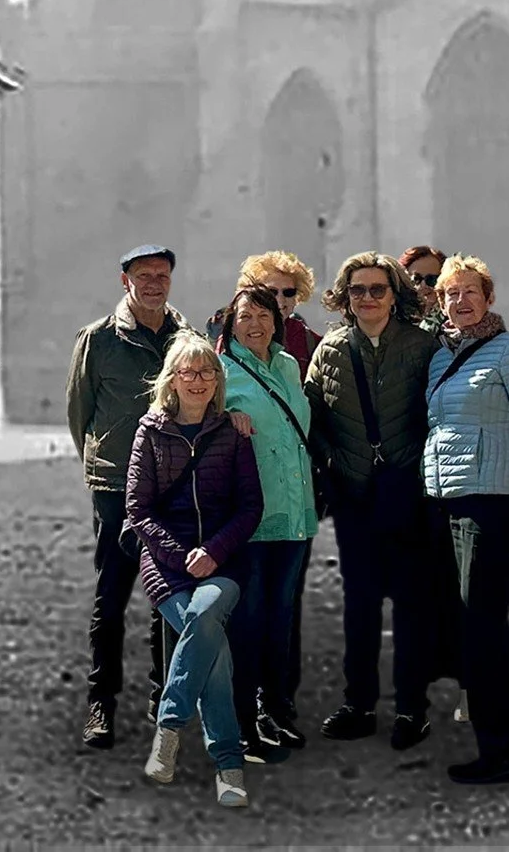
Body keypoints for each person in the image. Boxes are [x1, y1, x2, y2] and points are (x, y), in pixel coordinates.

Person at [423, 254, 509, 785]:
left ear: (489, 297)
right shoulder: (439, 360)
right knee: (463, 630)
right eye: (450, 294)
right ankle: (495, 746)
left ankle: (507, 753)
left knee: (485, 631)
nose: (460, 301)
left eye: (470, 291)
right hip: (446, 506)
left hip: (490, 508)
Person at [303, 252, 442, 749]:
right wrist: (334, 461)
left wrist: (423, 464)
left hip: (407, 489)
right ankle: (359, 703)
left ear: (395, 294)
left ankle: (411, 710)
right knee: (359, 603)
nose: (367, 298)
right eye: (357, 290)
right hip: (355, 494)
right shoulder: (332, 349)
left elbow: (441, 413)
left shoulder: (424, 346)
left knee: (410, 604)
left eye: (377, 289)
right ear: (345, 297)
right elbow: (311, 414)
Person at [126, 331, 264, 809]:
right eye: (189, 371)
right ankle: (229, 766)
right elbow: (138, 510)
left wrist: (213, 552)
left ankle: (168, 727)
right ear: (172, 379)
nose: (199, 380)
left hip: (223, 563)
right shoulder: (150, 431)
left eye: (208, 371)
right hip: (168, 567)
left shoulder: (232, 431)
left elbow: (250, 507)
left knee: (206, 619)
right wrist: (182, 554)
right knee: (214, 649)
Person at [66, 244, 189, 750]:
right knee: (112, 593)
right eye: (145, 275)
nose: (155, 283)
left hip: (175, 485)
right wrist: (102, 469)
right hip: (116, 486)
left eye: (162, 275)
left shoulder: (187, 339)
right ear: (126, 281)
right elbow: (80, 414)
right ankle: (102, 703)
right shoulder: (97, 341)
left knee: (171, 596)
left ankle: (165, 701)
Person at [218, 283, 319, 759]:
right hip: (250, 521)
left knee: (280, 622)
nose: (255, 324)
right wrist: (226, 420)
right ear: (230, 325)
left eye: (263, 315)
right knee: (248, 622)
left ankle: (275, 712)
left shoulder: (287, 366)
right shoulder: (218, 372)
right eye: (245, 317)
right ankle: (240, 724)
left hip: (294, 515)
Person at [398, 245, 447, 335]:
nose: (423, 285)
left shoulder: (454, 322)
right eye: (416, 279)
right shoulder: (395, 320)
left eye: (432, 279)